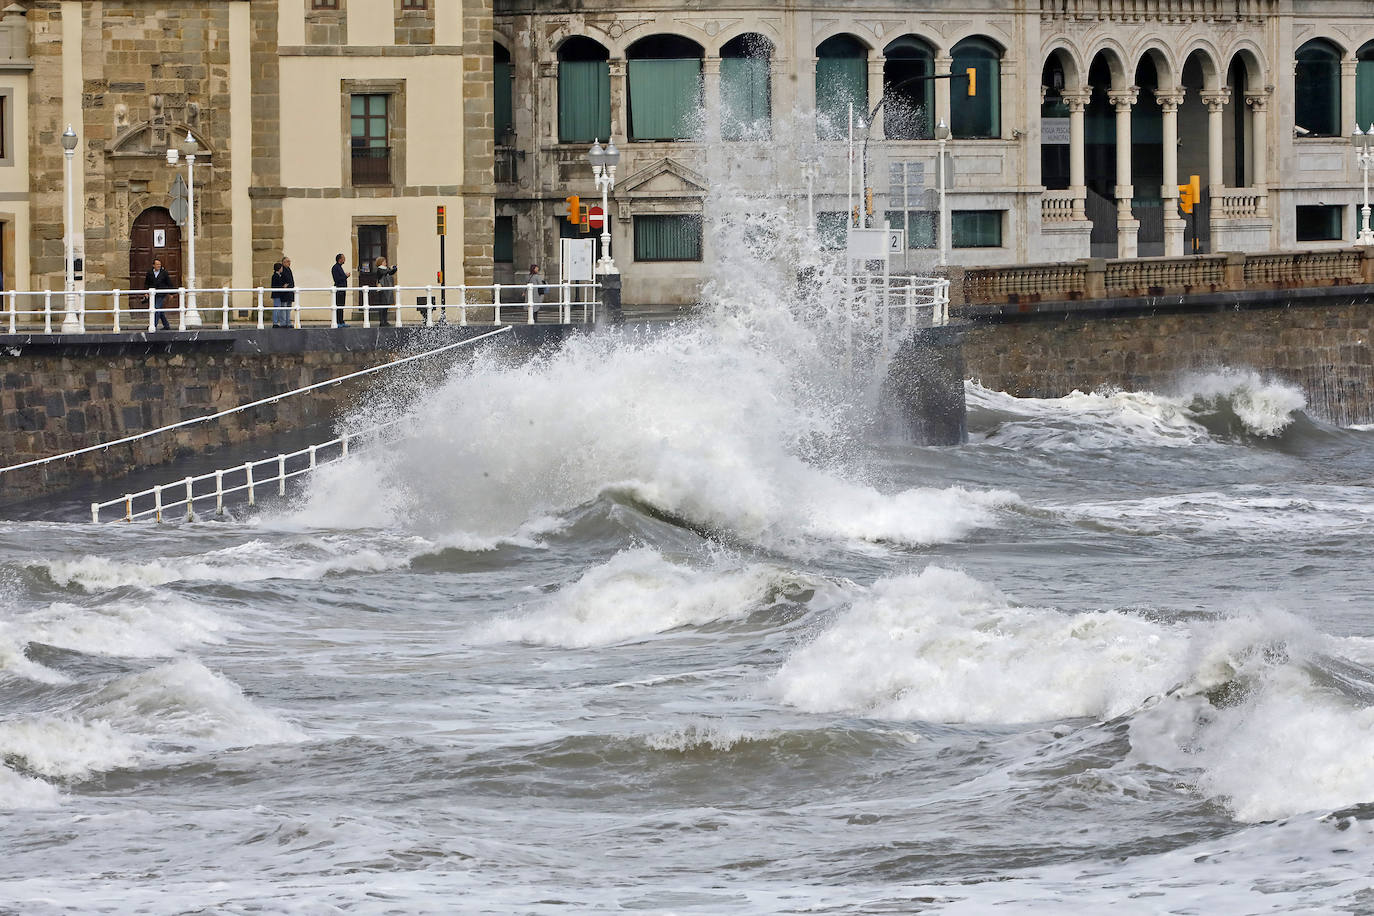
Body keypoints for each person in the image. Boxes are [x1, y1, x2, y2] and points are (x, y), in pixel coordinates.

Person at [144, 258, 175, 330]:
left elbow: (169, 283)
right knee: (159, 310)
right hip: (153, 294)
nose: (159, 266)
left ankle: (153, 325)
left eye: (159, 264)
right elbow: (146, 283)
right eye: (157, 264)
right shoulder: (149, 273)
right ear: (153, 265)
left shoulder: (164, 273)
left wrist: (171, 293)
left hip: (161, 294)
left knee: (156, 308)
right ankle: (166, 325)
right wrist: (146, 292)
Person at [373, 256, 397, 326]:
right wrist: (390, 268)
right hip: (382, 289)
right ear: (381, 262)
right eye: (384, 261)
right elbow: (386, 272)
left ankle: (385, 320)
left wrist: (395, 268)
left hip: (387, 289)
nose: (385, 262)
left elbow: (391, 272)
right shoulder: (379, 269)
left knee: (386, 305)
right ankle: (382, 321)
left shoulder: (385, 269)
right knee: (382, 306)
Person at [331, 253, 349, 327]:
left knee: (341, 306)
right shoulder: (335, 268)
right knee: (338, 306)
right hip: (339, 290)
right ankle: (338, 321)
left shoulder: (339, 267)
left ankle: (341, 321)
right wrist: (345, 276)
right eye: (343, 258)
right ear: (340, 259)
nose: (344, 260)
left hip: (342, 289)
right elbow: (337, 279)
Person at [270, 261, 288, 327]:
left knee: (277, 308)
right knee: (276, 309)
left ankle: (276, 322)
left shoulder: (278, 275)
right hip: (276, 295)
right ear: (279, 268)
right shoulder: (275, 276)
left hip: (277, 295)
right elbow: (274, 286)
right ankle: (275, 323)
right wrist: (283, 287)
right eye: (281, 268)